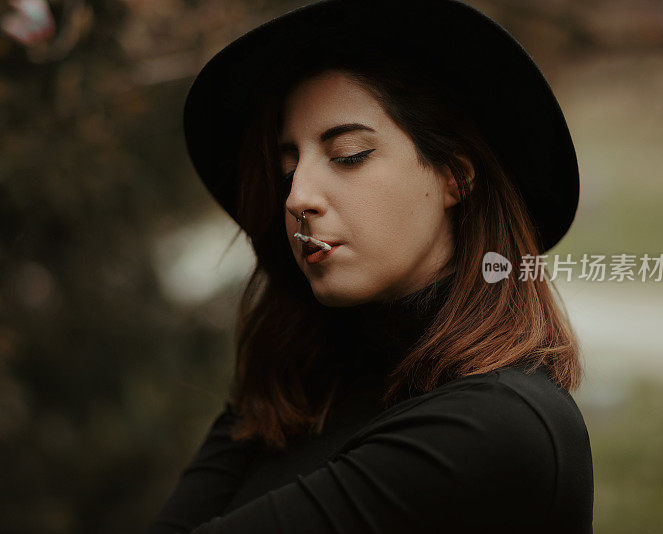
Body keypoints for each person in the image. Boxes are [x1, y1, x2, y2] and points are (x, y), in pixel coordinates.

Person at [150, 0, 594, 532]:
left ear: (454, 176)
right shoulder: (299, 388)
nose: (297, 195)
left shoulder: (496, 425)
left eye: (349, 154)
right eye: (288, 165)